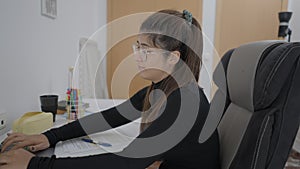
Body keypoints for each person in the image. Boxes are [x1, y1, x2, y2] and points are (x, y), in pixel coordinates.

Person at [0, 9, 220, 169]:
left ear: (172, 58)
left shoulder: (184, 102)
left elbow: (125, 161)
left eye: (145, 50)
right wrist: (50, 137)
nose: (136, 56)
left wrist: (35, 165)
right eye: (137, 46)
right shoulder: (163, 89)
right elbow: (109, 117)